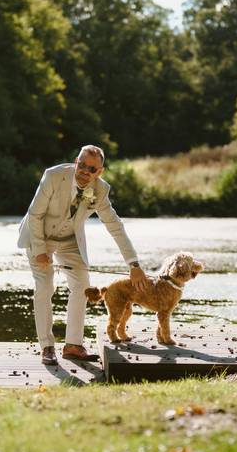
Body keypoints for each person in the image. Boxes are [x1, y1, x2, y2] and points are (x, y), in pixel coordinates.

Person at [18, 145, 150, 365]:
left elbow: (115, 226)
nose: (85, 171)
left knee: (83, 286)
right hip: (38, 234)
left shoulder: (100, 190)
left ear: (99, 172)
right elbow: (35, 214)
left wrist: (133, 265)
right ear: (75, 161)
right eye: (82, 165)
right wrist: (41, 251)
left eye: (92, 169)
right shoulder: (53, 176)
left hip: (70, 240)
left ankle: (73, 345)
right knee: (45, 286)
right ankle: (47, 347)